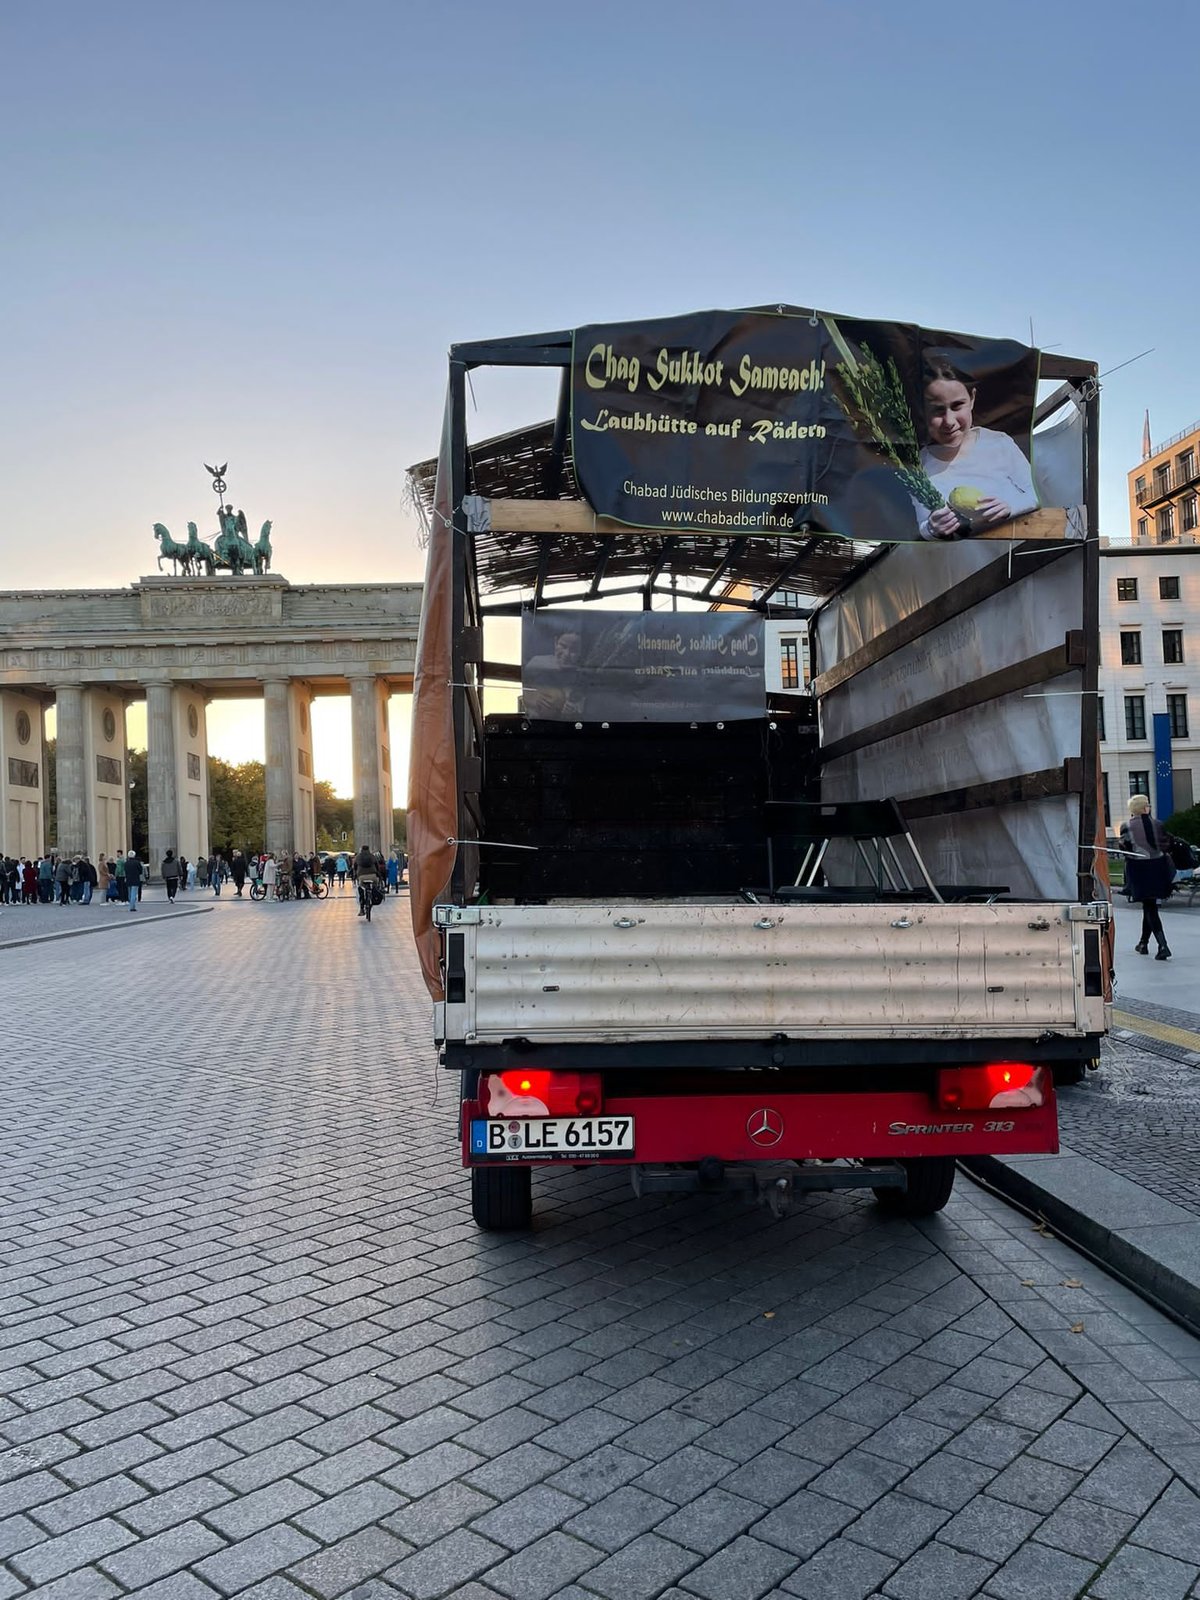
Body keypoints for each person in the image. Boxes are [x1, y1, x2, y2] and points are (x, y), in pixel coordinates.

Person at [914, 357, 1040, 541]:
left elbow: (1036, 495)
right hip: (967, 565)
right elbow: (923, 527)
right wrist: (933, 528)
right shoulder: (919, 466)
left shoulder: (999, 443)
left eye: (957, 406)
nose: (949, 421)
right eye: (938, 410)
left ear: (972, 399)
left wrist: (1011, 506)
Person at [1121, 794, 1173, 961]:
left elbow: (1124, 847)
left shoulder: (1126, 826)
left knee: (1149, 906)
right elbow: (1166, 845)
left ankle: (1162, 945)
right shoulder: (1158, 824)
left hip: (1139, 869)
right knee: (1150, 906)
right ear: (1145, 808)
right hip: (1158, 868)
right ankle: (1143, 943)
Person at [355, 843, 378, 916]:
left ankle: (362, 908)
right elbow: (377, 865)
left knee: (361, 888)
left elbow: (354, 866)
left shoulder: (358, 857)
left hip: (362, 876)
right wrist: (377, 873)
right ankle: (374, 896)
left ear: (361, 850)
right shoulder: (372, 856)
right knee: (375, 886)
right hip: (372, 875)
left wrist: (356, 874)